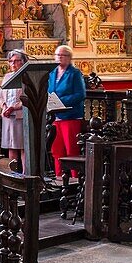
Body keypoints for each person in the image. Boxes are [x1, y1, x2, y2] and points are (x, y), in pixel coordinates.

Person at [48, 45, 86, 178]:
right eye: (57, 55)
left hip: (70, 116)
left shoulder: (75, 73)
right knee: (57, 150)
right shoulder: (52, 73)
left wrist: (61, 101)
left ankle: (75, 179)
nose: (59, 57)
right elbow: (49, 91)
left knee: (71, 150)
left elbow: (80, 94)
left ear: (69, 58)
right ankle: (59, 178)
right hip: (55, 116)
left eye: (62, 55)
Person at [0, 50, 27, 169]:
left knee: (22, 146)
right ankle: (11, 175)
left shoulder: (26, 76)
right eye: (11, 61)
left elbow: (28, 97)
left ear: (23, 62)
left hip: (20, 115)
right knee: (11, 145)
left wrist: (14, 107)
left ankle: (26, 173)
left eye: (16, 61)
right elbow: (1, 95)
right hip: (8, 116)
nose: (13, 64)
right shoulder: (7, 77)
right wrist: (4, 106)